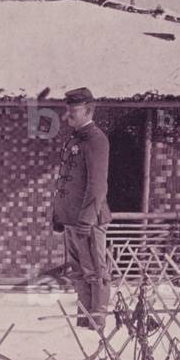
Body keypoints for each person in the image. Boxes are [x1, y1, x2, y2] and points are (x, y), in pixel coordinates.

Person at [51, 87, 112, 331]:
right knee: (78, 273)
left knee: (95, 272)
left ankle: (97, 324)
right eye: (67, 111)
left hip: (88, 221)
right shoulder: (75, 139)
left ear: (88, 110)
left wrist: (86, 220)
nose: (68, 116)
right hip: (71, 219)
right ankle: (83, 322)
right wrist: (59, 216)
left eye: (73, 111)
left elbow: (97, 185)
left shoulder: (97, 140)